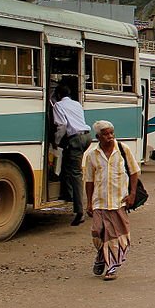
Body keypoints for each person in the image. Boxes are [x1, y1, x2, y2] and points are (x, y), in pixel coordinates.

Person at [81, 120, 140, 281]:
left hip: (118, 202)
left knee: (116, 236)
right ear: (98, 137)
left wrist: (132, 194)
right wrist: (88, 203)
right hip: (99, 201)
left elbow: (134, 172)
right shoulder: (92, 155)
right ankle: (101, 254)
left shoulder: (123, 150)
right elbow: (89, 180)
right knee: (97, 232)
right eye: (106, 134)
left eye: (111, 133)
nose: (110, 137)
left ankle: (112, 268)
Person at [53, 83, 93, 226]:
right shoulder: (76, 103)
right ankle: (69, 194)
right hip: (86, 137)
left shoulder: (58, 105)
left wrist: (56, 142)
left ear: (58, 95)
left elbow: (62, 125)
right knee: (67, 166)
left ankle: (79, 211)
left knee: (75, 173)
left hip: (75, 139)